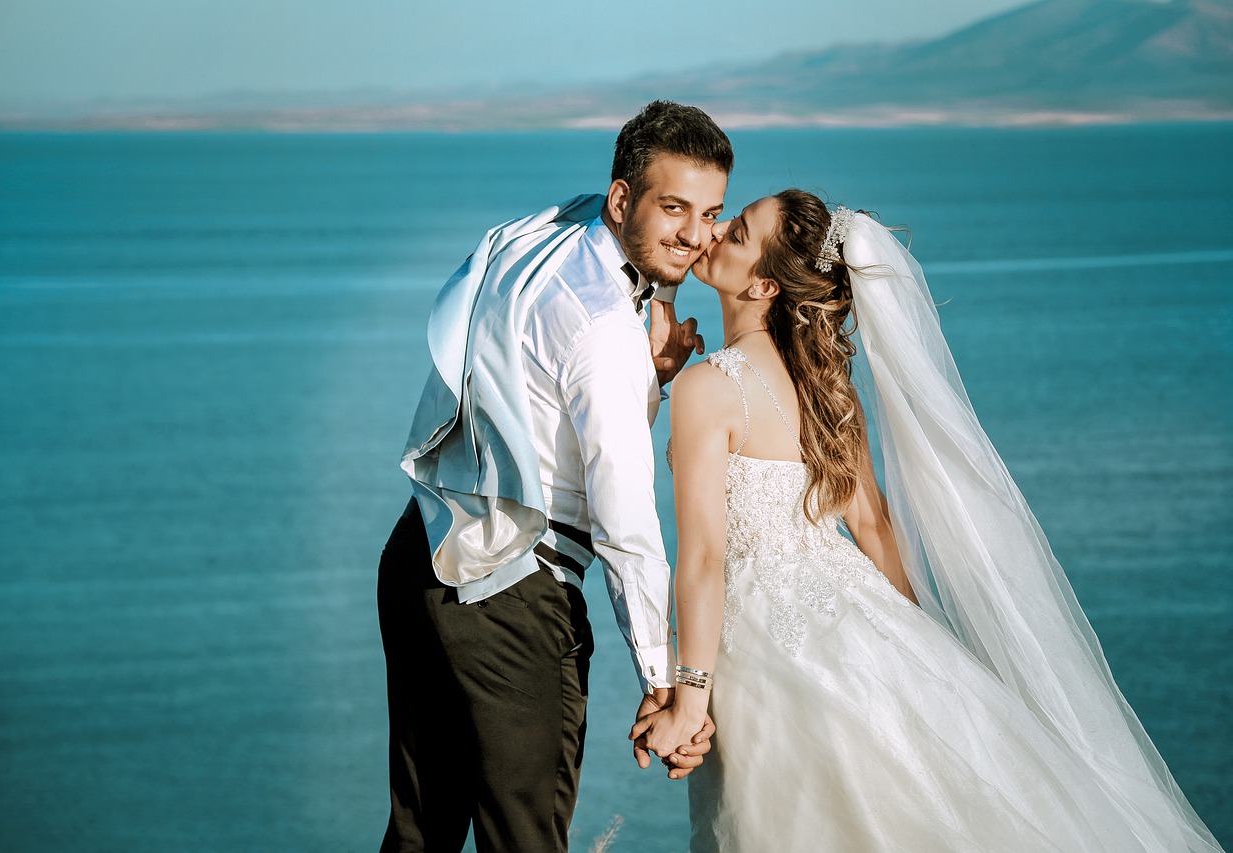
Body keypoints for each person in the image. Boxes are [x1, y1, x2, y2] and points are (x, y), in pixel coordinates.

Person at [631, 190, 1223, 851]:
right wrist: (917, 644)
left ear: (764, 283)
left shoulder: (709, 386)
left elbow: (705, 559)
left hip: (760, 652)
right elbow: (876, 525)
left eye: (736, 232)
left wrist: (688, 695)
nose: (713, 235)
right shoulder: (826, 385)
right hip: (855, 622)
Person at [376, 101, 732, 853]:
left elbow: (554, 389)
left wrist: (654, 363)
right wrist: (664, 681)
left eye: (711, 213)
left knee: (419, 832)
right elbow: (625, 521)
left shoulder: (542, 232)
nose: (698, 236)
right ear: (622, 198)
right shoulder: (607, 329)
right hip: (513, 593)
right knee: (525, 841)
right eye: (676, 209)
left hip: (419, 554)